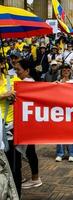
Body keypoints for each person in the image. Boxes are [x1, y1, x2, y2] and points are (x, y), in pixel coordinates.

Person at [14, 59, 43, 189]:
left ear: (27, 71)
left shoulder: (26, 85)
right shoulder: (28, 83)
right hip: (28, 122)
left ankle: (35, 178)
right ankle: (32, 177)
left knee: (30, 151)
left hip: (27, 123)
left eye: (18, 70)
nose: (16, 72)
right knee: (29, 151)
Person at [0, 56, 22, 197]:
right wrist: (4, 95)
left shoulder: (12, 80)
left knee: (14, 166)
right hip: (0, 128)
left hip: (12, 127)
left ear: (2, 64)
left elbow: (32, 91)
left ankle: (15, 194)